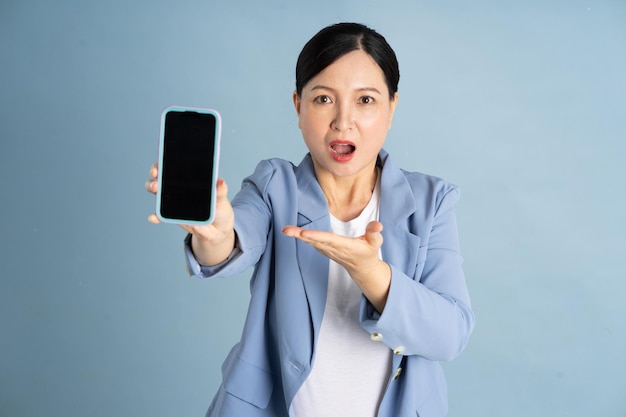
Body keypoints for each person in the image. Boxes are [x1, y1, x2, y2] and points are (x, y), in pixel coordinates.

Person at [146, 22, 474, 417]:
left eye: (366, 100)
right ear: (299, 107)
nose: (343, 121)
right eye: (323, 99)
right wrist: (214, 232)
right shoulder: (274, 184)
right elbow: (233, 240)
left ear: (392, 108)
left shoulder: (431, 202)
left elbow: (450, 335)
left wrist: (372, 273)